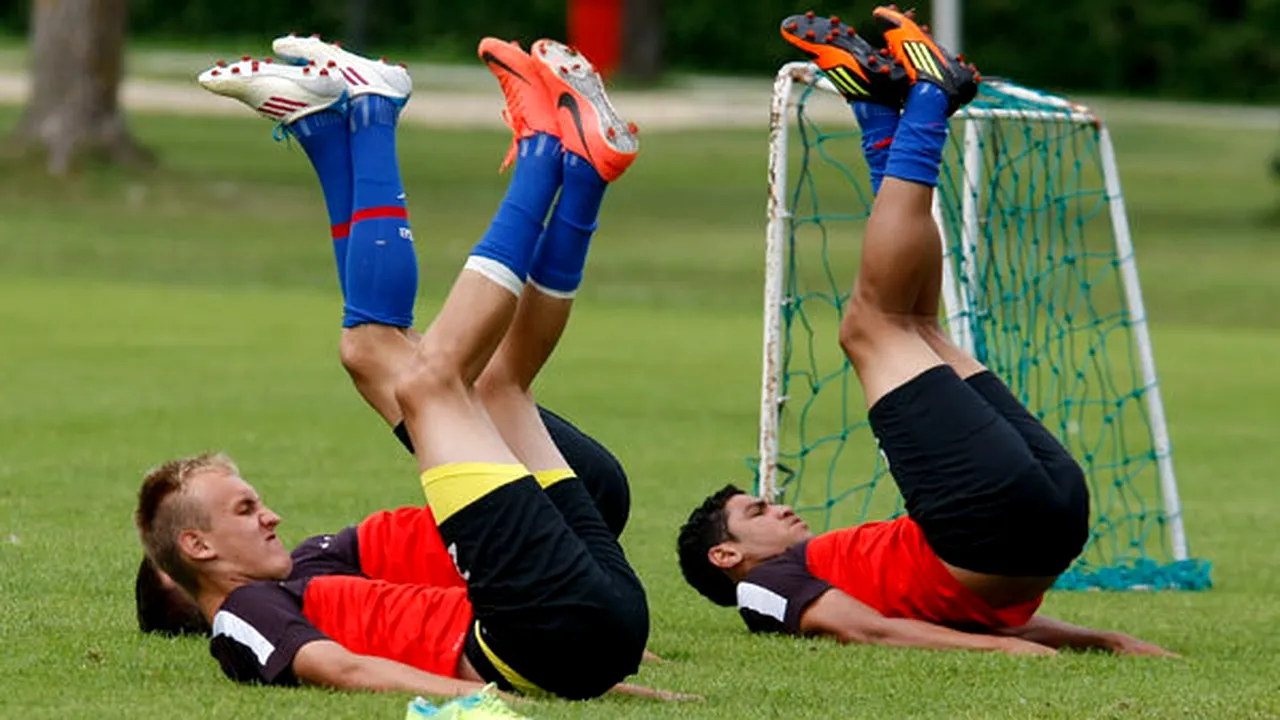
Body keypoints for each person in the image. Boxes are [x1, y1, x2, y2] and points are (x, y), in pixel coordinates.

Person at [136, 33, 661, 704]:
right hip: (551, 626)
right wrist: (484, 700)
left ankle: (566, 174)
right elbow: (344, 669)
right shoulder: (243, 614)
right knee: (429, 382)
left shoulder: (307, 571)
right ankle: (533, 153)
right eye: (244, 509)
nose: (270, 514)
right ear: (198, 550)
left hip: (581, 620)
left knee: (383, 356)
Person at [676, 8, 1177, 658]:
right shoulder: (760, 589)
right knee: (868, 328)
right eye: (756, 516)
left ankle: (880, 108)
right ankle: (927, 101)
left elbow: (967, 612)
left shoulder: (840, 563)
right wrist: (1002, 653)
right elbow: (869, 631)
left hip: (1039, 515)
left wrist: (1102, 640)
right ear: (726, 555)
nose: (778, 509)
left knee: (916, 326)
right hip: (994, 523)